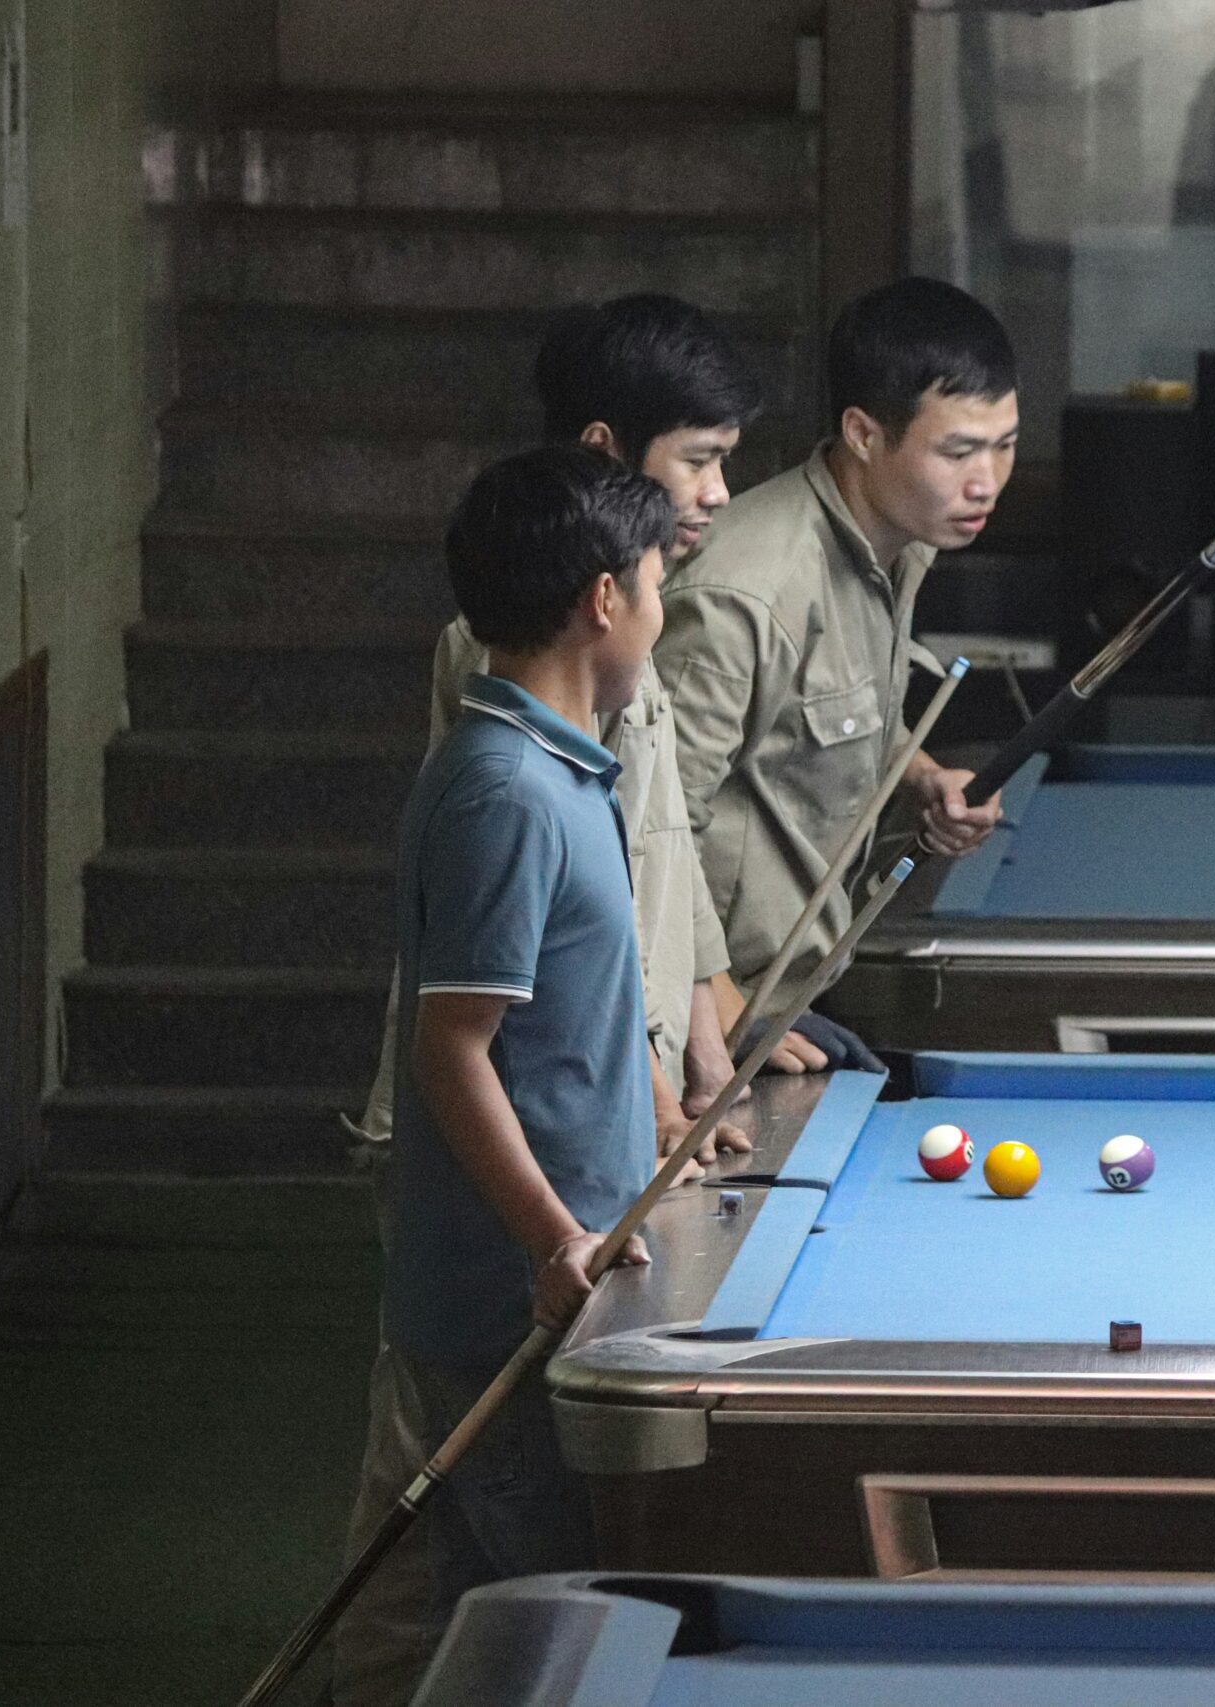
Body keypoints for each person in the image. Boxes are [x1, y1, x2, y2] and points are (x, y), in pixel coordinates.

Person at [337, 448, 675, 1705]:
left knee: (517, 1621)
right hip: (510, 1308)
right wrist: (551, 1238)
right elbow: (450, 1051)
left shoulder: (560, 763)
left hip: (545, 1286)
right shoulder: (507, 790)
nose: (660, 607)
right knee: (545, 1629)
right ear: (603, 599)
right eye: (653, 581)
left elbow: (564, 1026)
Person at [355, 293, 764, 1153]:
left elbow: (662, 843)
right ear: (603, 450)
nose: (719, 492)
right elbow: (555, 935)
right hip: (528, 1115)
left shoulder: (624, 624)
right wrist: (653, 1101)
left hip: (602, 1089)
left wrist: (705, 1052)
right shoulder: (529, 642)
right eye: (698, 460)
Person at [658, 276, 1017, 1066]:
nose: (987, 479)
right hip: (699, 1015)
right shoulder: (743, 591)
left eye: (1005, 444)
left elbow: (825, 720)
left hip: (784, 992)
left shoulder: (902, 542)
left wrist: (921, 779)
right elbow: (645, 825)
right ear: (862, 432)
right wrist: (722, 1004)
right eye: (957, 450)